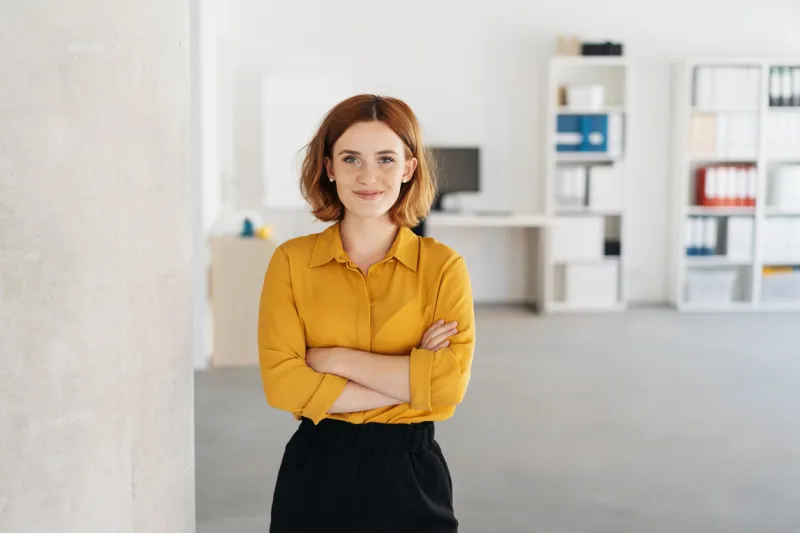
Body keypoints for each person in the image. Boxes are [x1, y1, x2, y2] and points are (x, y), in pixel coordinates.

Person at [257, 94, 476, 533]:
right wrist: (415, 383)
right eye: (352, 158)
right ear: (329, 167)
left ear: (409, 168)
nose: (369, 176)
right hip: (317, 470)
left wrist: (334, 360)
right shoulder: (291, 262)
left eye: (386, 159)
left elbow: (449, 385)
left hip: (411, 475)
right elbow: (284, 386)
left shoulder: (443, 266)